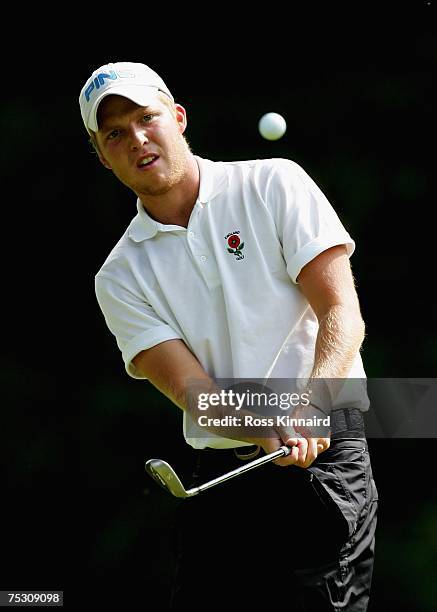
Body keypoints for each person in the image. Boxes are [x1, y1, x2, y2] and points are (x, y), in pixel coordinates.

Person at [79, 61, 378, 610]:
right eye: (115, 134)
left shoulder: (274, 182)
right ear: (101, 155)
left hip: (325, 457)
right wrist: (265, 423)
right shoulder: (118, 276)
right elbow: (192, 392)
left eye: (147, 118)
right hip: (224, 475)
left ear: (178, 117)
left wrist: (311, 406)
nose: (138, 139)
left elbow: (342, 310)